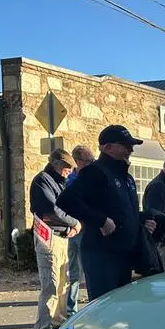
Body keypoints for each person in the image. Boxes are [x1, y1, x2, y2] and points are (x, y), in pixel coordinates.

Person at [57, 125, 158, 300]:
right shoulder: (95, 172)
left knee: (123, 310)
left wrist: (141, 221)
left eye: (131, 146)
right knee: (105, 311)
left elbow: (122, 211)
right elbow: (66, 200)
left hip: (124, 256)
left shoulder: (126, 177)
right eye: (125, 146)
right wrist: (101, 221)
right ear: (107, 148)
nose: (130, 150)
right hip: (102, 256)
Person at [29, 149, 80, 329]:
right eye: (67, 168)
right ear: (57, 165)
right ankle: (42, 328)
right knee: (50, 283)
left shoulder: (58, 182)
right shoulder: (42, 180)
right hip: (47, 237)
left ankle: (58, 321)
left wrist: (70, 225)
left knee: (63, 282)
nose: (69, 172)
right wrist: (74, 223)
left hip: (61, 235)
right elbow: (51, 211)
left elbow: (65, 208)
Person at [65, 145, 95, 316]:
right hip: (75, 231)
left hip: (88, 230)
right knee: (74, 272)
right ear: (78, 161)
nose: (92, 164)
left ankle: (93, 305)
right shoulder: (70, 181)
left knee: (91, 270)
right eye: (88, 161)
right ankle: (71, 309)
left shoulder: (92, 178)